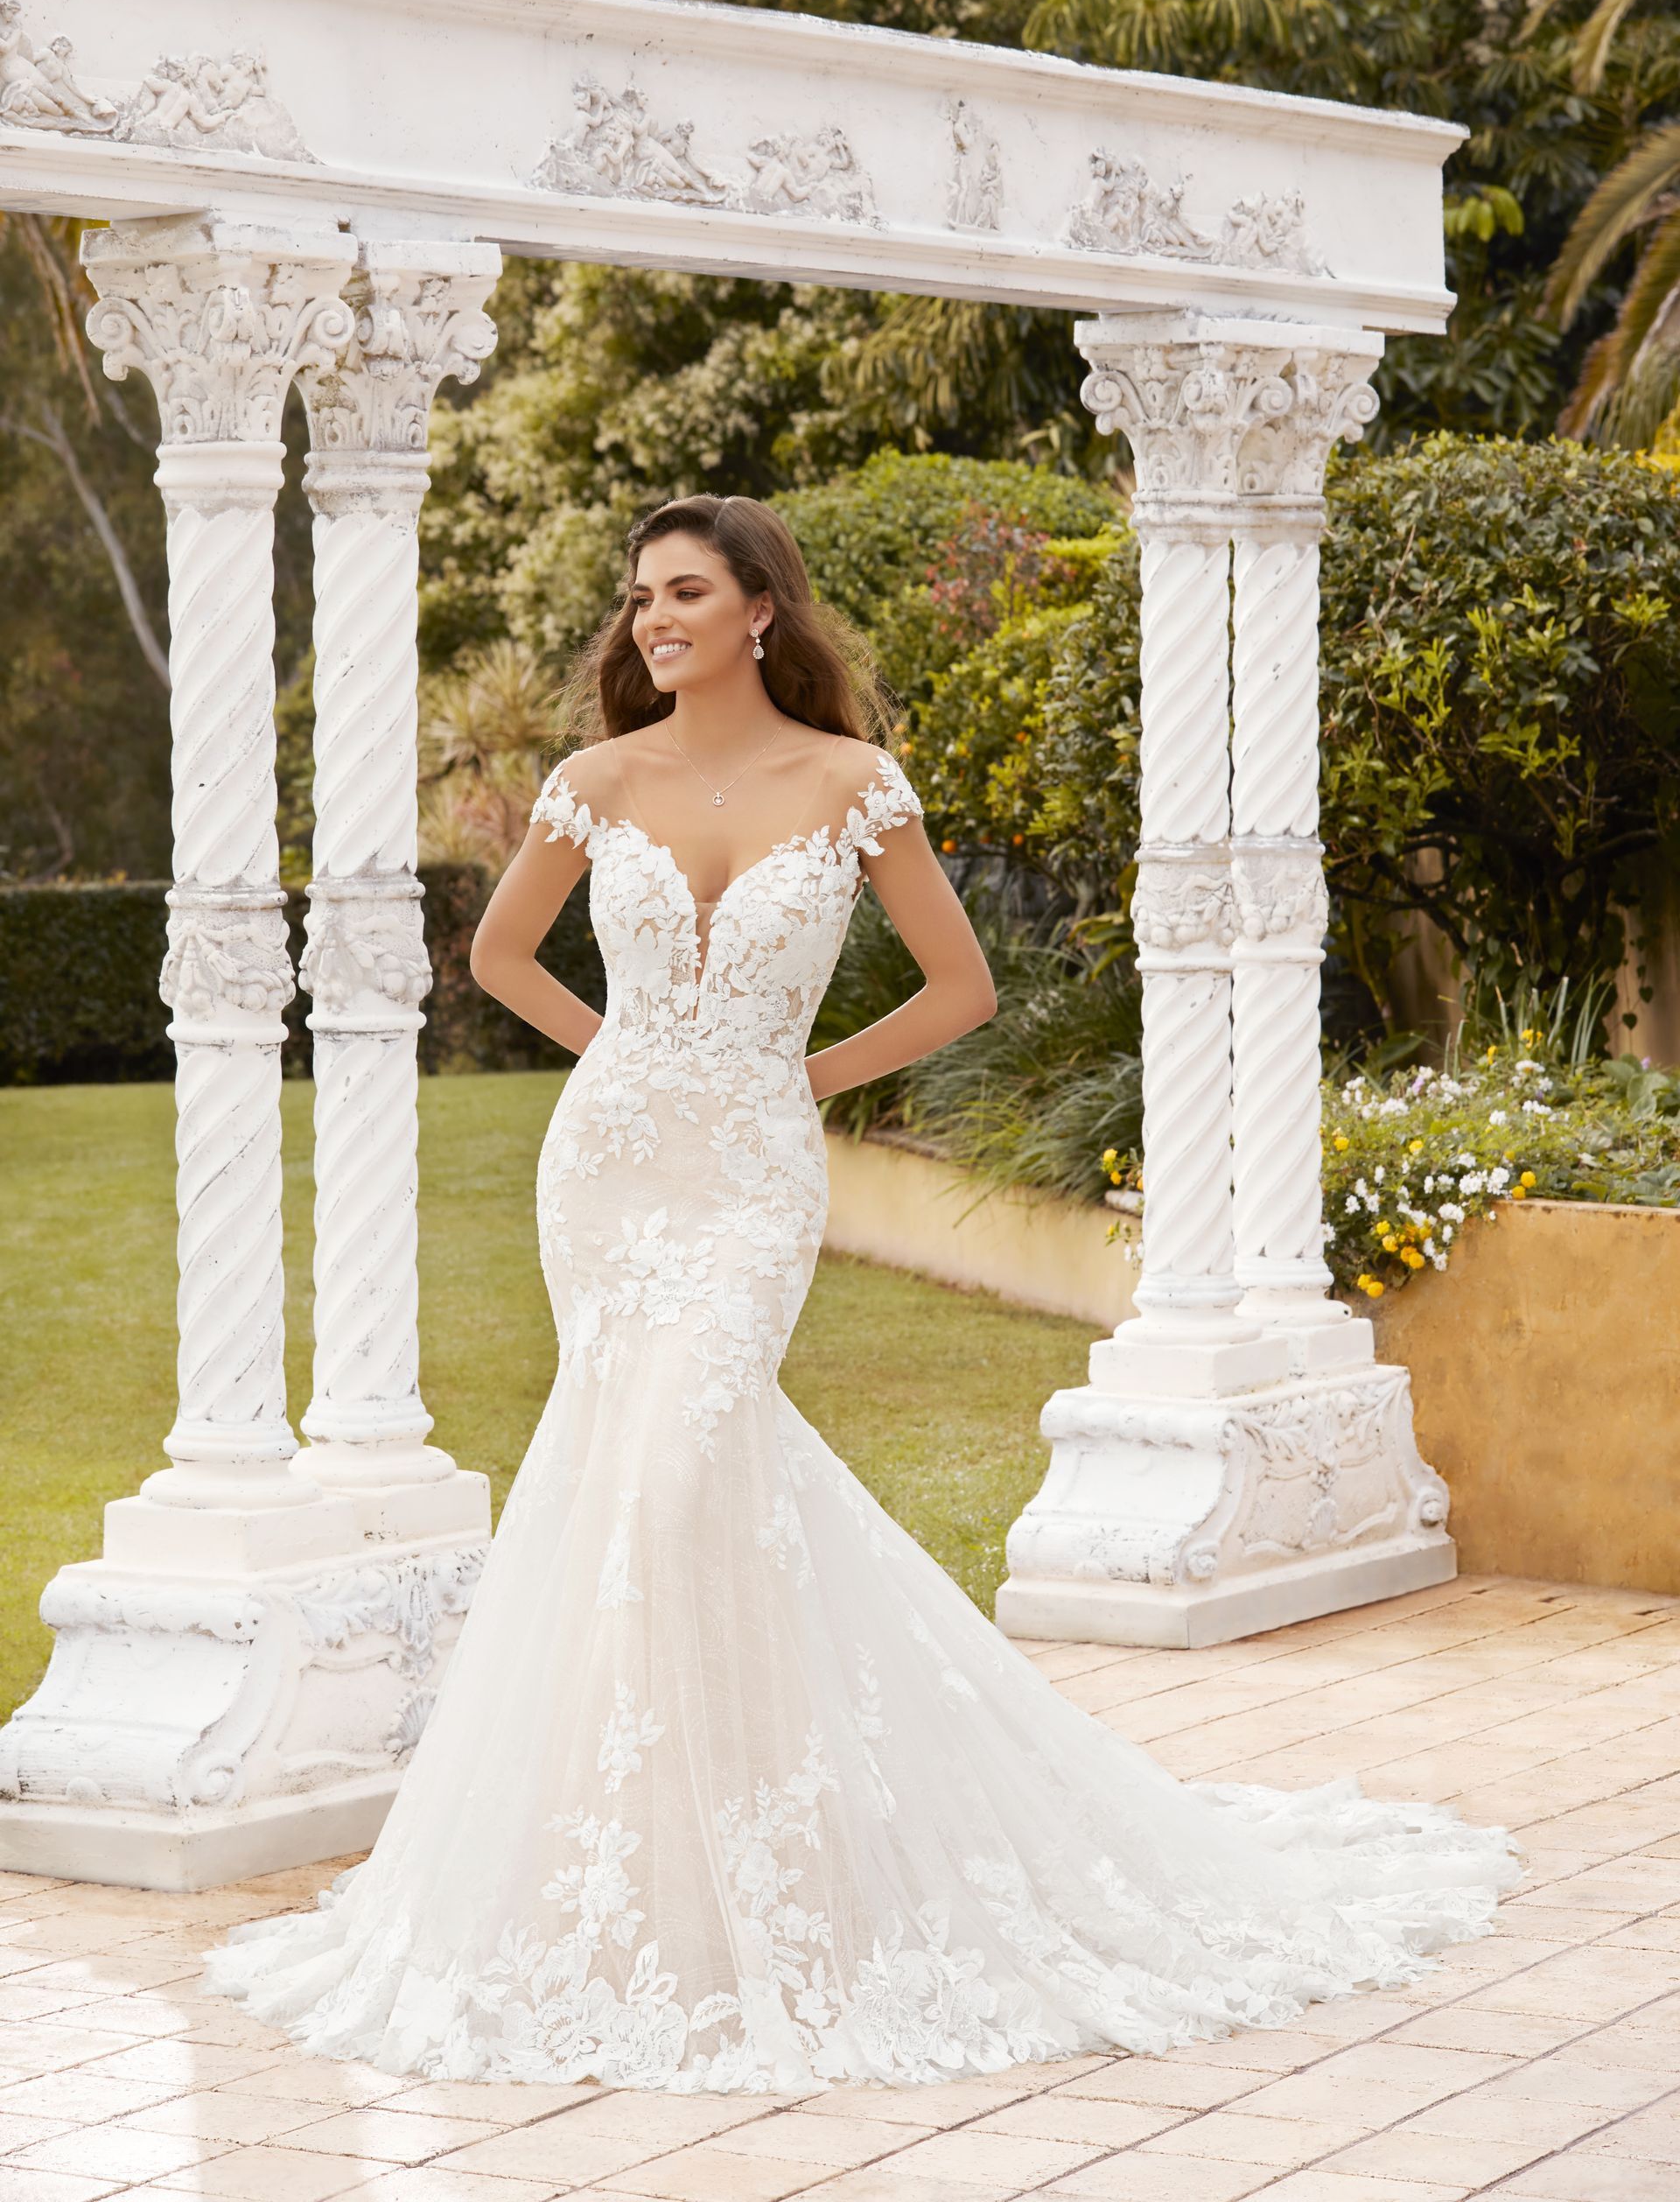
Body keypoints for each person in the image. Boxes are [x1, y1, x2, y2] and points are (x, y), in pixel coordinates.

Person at [203, 492, 1522, 2093]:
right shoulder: (591, 782)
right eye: (639, 600)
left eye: (684, 592)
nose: (649, 621)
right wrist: (629, 1056)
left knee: (689, 1472)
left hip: (751, 1176)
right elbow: (499, 958)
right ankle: (635, 1875)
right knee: (628, 1485)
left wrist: (795, 1073)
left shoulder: (852, 787)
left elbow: (961, 987)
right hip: (611, 1172)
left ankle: (779, 1853)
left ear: (763, 608)